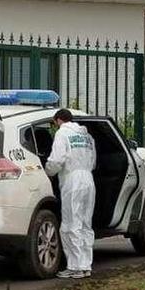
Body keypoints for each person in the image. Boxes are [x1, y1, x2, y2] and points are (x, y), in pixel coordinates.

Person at [45, 109, 97, 279]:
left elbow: (56, 160)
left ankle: (75, 267)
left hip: (71, 180)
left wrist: (47, 172)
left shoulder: (62, 134)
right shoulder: (86, 136)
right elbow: (94, 161)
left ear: (58, 120)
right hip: (88, 179)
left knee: (70, 223)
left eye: (54, 123)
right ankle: (86, 265)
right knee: (85, 223)